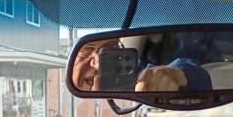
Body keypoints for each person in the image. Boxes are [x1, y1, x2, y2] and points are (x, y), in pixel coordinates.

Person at [72, 36, 212, 93]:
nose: (97, 67)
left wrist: (179, 75)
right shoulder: (136, 84)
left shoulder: (140, 72)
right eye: (90, 81)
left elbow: (199, 74)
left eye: (94, 56)